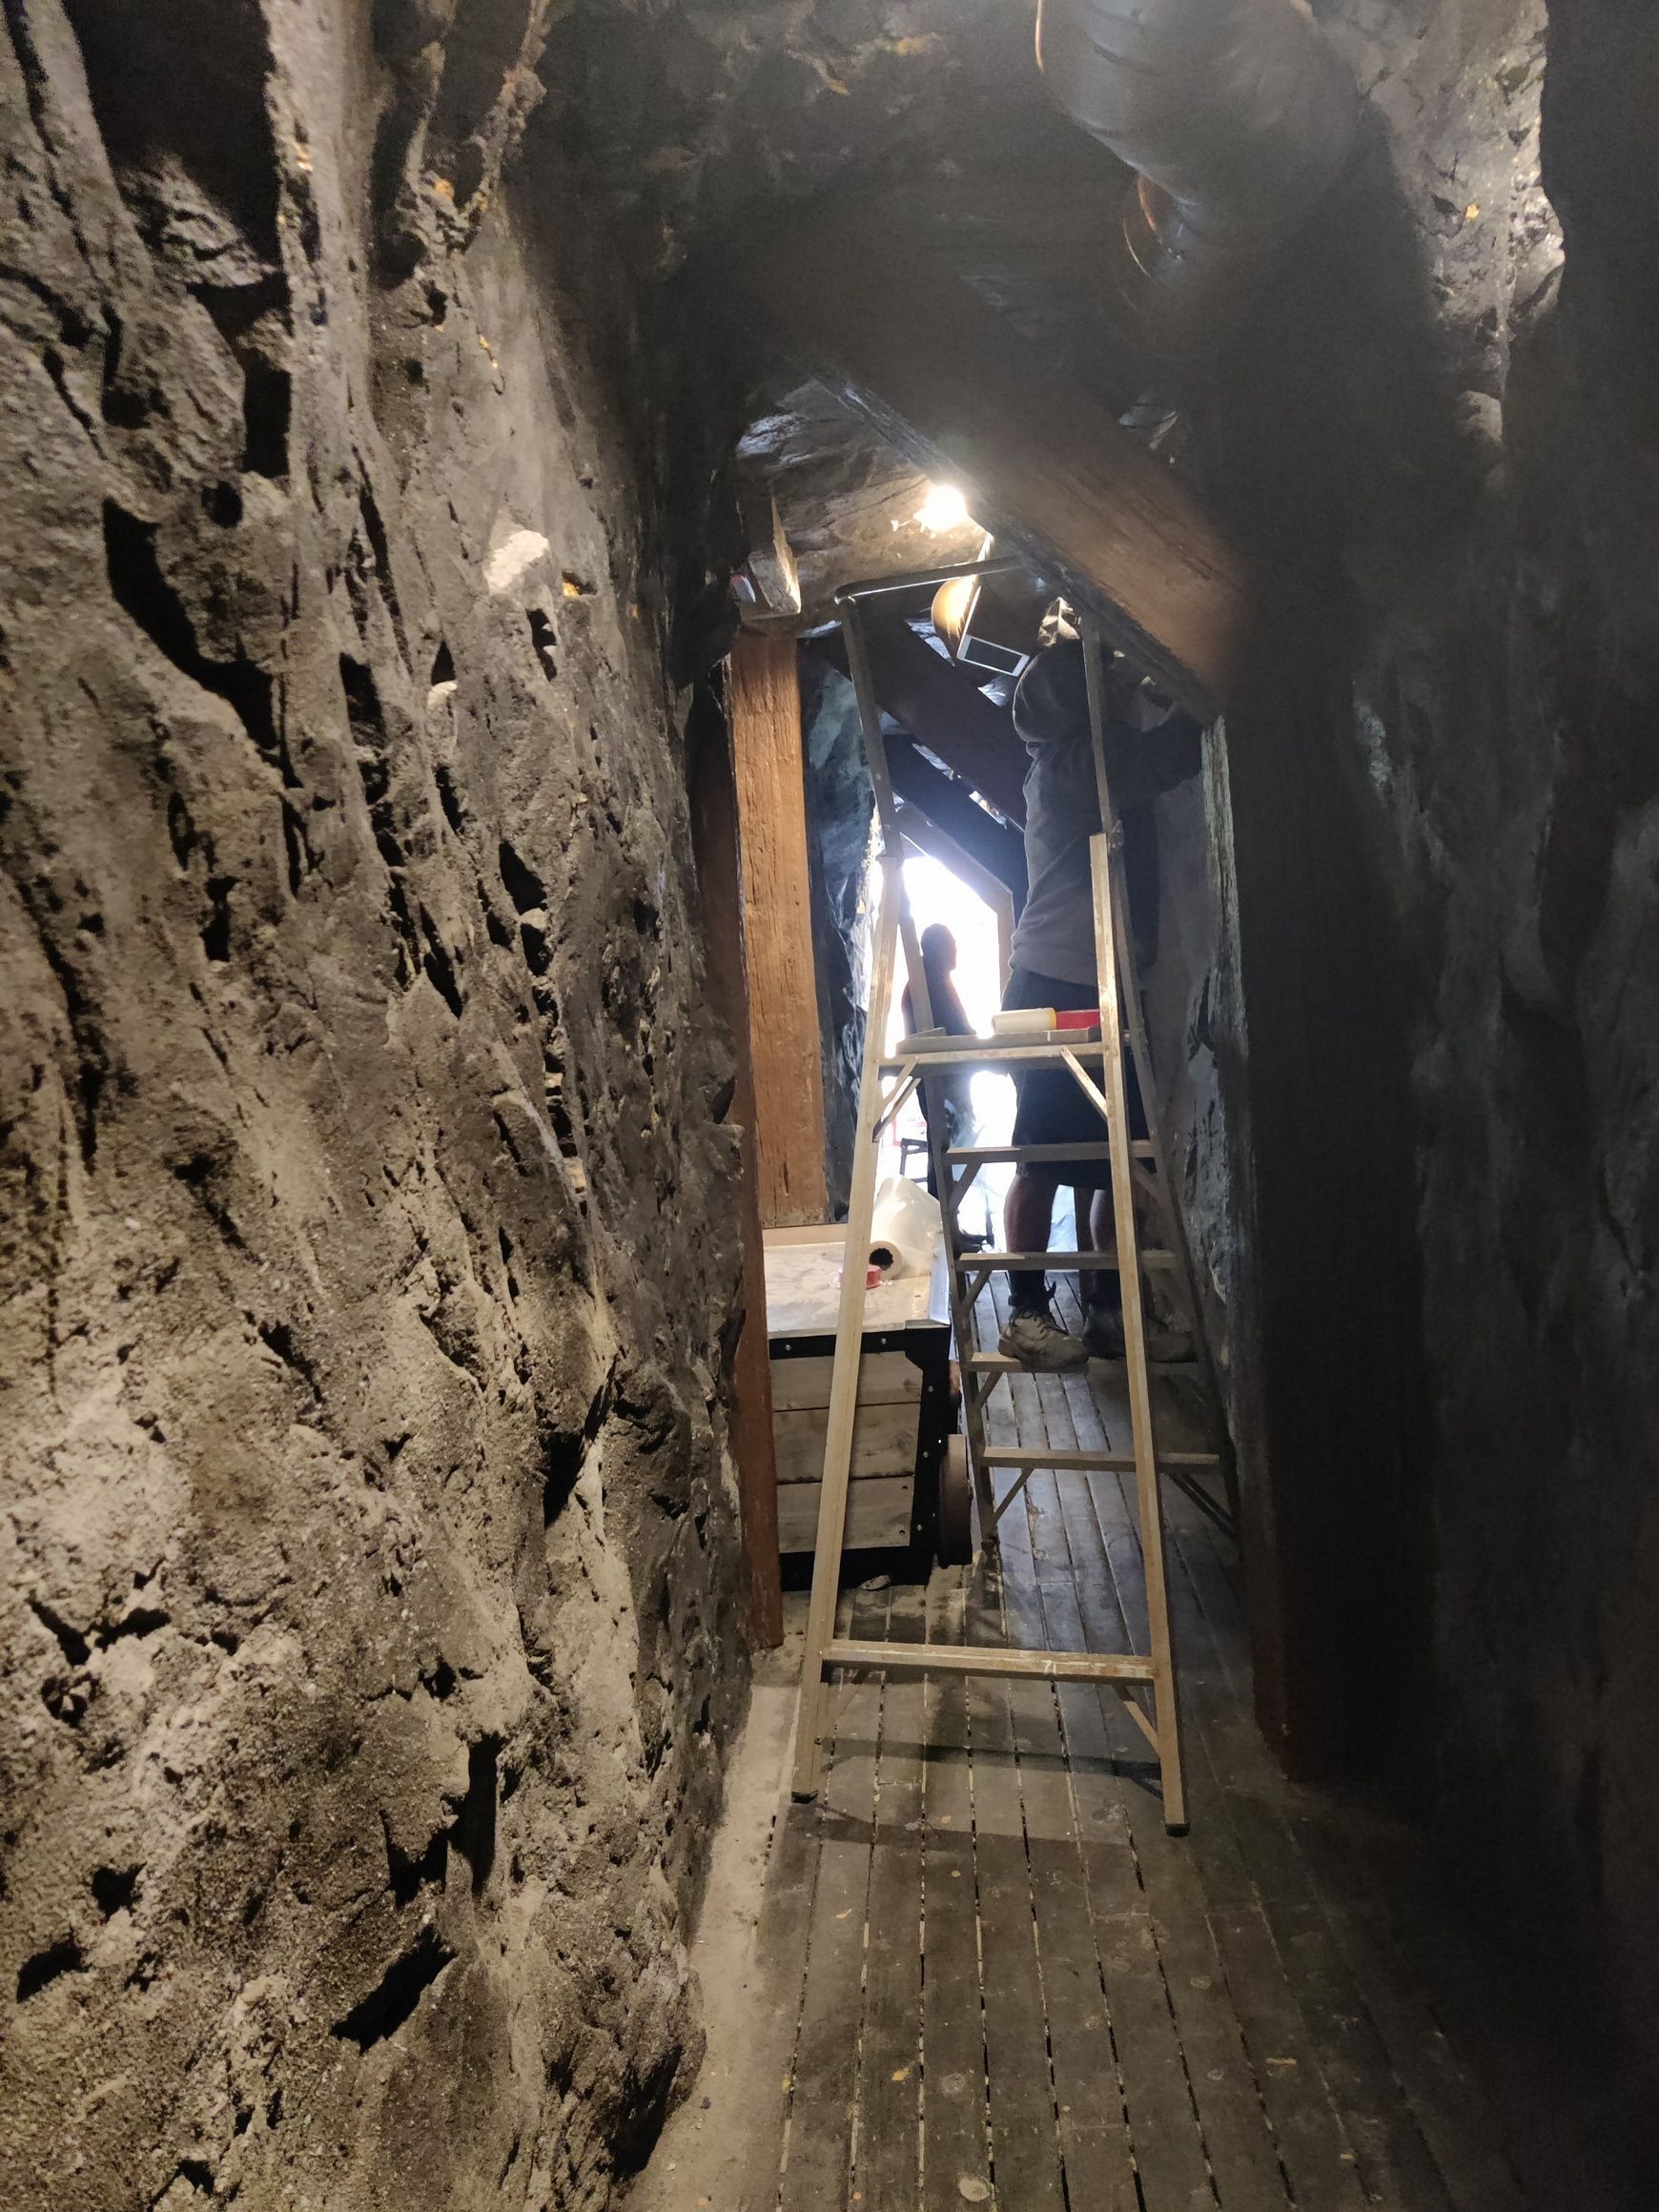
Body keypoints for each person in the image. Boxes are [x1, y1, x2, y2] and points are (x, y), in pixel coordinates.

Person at [996, 620, 1201, 1372]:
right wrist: (1184, 677)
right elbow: (1173, 752)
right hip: (1059, 983)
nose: (1117, 692)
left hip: (1093, 979)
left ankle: (1110, 1311)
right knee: (1044, 1155)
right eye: (1104, 684)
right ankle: (1024, 1312)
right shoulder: (1076, 767)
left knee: (1111, 1158)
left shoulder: (1071, 763)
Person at [900, 922, 975, 1195]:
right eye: (951, 946)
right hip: (940, 1080)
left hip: (942, 1078)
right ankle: (943, 1213)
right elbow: (956, 1028)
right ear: (939, 950)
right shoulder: (930, 984)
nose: (955, 951)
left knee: (944, 1146)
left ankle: (946, 1215)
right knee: (944, 1148)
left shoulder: (928, 980)